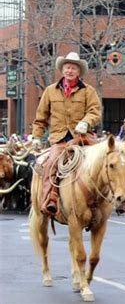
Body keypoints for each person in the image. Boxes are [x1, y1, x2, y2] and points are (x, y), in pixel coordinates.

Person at [32, 52, 101, 215]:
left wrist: (86, 122)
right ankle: (50, 199)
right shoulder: (50, 91)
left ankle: (121, 197)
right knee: (51, 165)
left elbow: (95, 111)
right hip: (60, 139)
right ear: (62, 70)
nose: (70, 70)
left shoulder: (88, 91)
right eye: (67, 67)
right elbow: (41, 117)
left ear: (79, 71)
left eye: (73, 68)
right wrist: (36, 136)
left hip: (83, 138)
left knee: (107, 158)